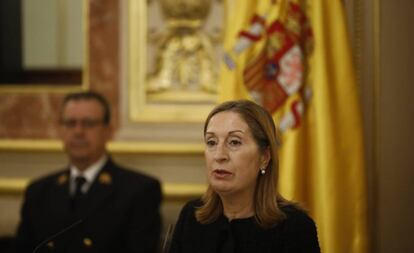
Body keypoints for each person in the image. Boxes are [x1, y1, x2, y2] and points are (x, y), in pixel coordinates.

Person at [14, 91, 162, 253]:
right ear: (60, 130)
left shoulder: (139, 191)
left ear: (108, 131)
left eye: (89, 123)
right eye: (70, 123)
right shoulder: (38, 192)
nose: (78, 132)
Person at [168, 100, 320, 253]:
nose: (219, 155)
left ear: (264, 157)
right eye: (211, 142)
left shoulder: (295, 228)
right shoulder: (191, 216)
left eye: (234, 142)